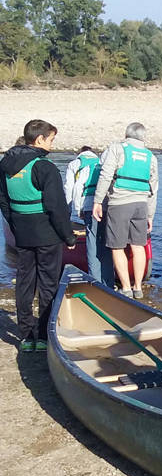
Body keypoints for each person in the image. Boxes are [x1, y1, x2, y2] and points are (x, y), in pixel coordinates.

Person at [0, 120, 76, 352]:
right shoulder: (45, 167)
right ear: (40, 139)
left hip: (22, 232)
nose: (52, 144)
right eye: (51, 139)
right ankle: (43, 335)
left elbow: (3, 201)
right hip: (47, 234)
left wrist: (15, 225)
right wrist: (68, 236)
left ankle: (25, 335)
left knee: (24, 281)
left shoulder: (5, 164)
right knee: (48, 284)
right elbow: (57, 207)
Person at [93, 122, 158, 299]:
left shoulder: (117, 149)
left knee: (117, 246)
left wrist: (98, 201)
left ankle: (127, 288)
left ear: (126, 135)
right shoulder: (150, 157)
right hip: (141, 205)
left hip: (120, 203)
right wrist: (150, 215)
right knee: (139, 246)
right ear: (143, 137)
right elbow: (154, 189)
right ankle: (138, 287)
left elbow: (106, 174)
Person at [63, 145, 114, 287]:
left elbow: (72, 188)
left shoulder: (76, 164)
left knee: (92, 245)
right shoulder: (101, 163)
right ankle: (109, 282)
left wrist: (72, 211)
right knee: (107, 244)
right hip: (107, 206)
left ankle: (95, 282)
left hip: (89, 206)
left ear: (80, 154)